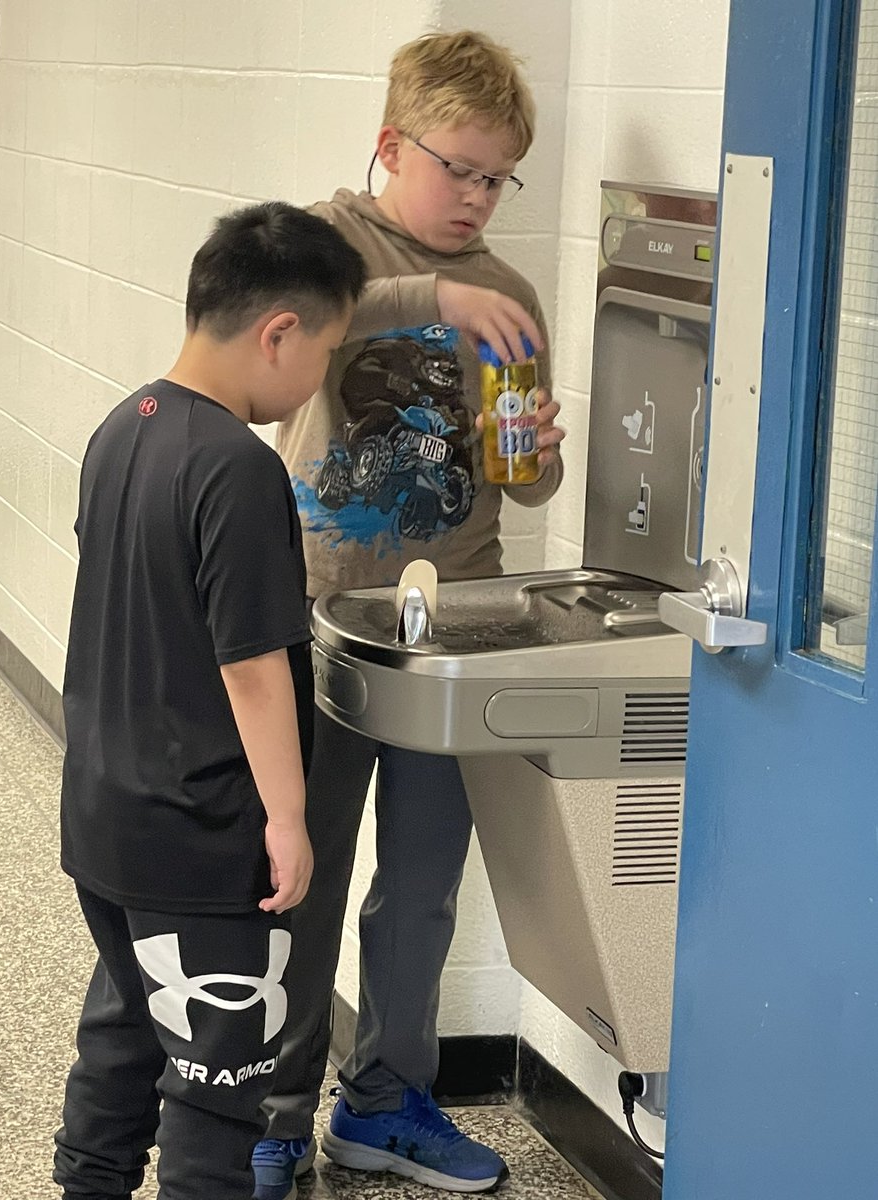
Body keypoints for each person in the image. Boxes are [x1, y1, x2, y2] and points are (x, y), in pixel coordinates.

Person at [252, 30, 566, 1200]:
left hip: (457, 627)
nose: (478, 198)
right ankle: (274, 1111)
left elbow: (526, 480)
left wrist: (531, 455)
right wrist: (439, 294)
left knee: (424, 885)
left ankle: (382, 1100)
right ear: (392, 147)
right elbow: (304, 320)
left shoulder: (512, 292)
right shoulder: (326, 244)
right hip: (327, 618)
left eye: (499, 180)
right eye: (459, 170)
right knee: (307, 874)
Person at [52, 202, 366, 1200]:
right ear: (279, 330)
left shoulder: (123, 427)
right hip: (198, 830)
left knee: (126, 1036)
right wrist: (288, 819)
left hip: (106, 818)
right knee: (218, 1083)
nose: (318, 379)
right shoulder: (236, 467)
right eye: (325, 351)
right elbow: (253, 666)